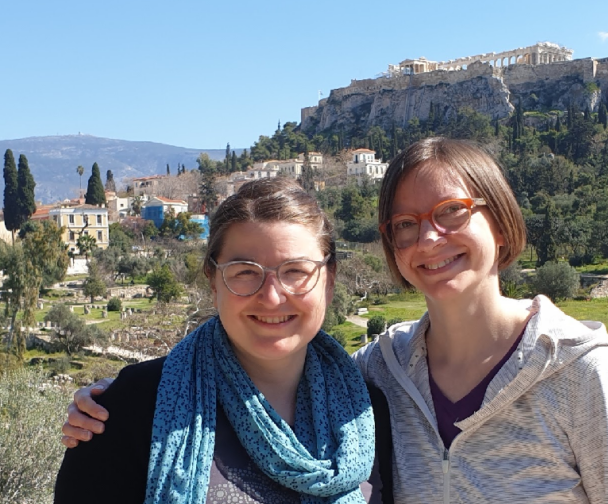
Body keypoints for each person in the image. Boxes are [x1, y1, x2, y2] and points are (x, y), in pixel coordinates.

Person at [62, 138, 608, 502]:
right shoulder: (383, 374)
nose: (273, 297)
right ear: (211, 276)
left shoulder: (578, 370)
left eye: (452, 212)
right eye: (245, 271)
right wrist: (106, 401)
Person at [54, 178, 378, 504]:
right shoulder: (130, 408)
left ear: (330, 281)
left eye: (296, 271)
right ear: (213, 283)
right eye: (245, 272)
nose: (271, 296)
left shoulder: (368, 410)